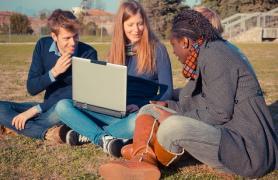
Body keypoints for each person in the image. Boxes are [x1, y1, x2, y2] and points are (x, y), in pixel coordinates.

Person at [99, 9, 278, 179]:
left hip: (247, 150)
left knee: (173, 126)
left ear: (185, 42)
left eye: (174, 45)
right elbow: (200, 98)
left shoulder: (215, 56)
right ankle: (143, 160)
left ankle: (137, 155)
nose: (174, 52)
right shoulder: (206, 52)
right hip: (228, 131)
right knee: (148, 109)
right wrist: (169, 105)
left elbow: (219, 113)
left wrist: (174, 116)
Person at [55, 0, 173, 157]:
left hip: (136, 114)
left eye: (140, 24)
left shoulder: (158, 49)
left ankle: (90, 134)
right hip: (113, 112)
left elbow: (167, 92)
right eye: (130, 25)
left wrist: (140, 106)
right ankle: (105, 137)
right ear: (122, 26)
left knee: (135, 123)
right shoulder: (116, 51)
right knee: (63, 106)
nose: (136, 29)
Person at [0, 9, 98, 144]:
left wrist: (34, 110)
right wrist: (54, 73)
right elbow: (32, 88)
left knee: (59, 111)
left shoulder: (88, 53)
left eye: (75, 36)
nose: (73, 43)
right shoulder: (42, 45)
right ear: (54, 36)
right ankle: (50, 133)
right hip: (45, 106)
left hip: (67, 108)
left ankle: (15, 126)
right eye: (67, 38)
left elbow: (78, 94)